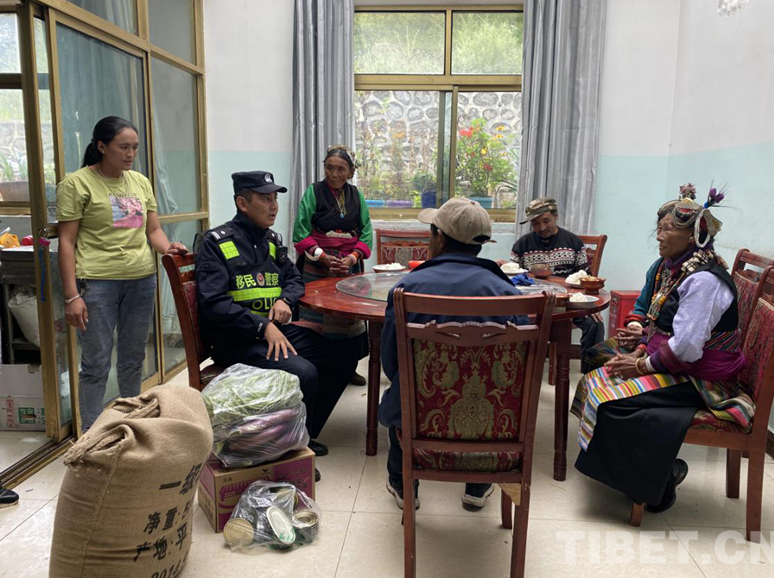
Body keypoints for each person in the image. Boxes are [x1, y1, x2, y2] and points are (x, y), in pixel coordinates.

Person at [571, 185, 755, 513]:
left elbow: (685, 348)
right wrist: (641, 349)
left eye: (667, 229)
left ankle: (658, 483)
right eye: (659, 228)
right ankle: (640, 474)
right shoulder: (677, 269)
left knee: (610, 401)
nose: (658, 235)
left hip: (703, 380)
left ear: (694, 236)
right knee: (596, 381)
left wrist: (640, 366)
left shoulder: (702, 281)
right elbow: (660, 325)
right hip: (684, 366)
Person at [378, 198, 529, 510]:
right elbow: (519, 369)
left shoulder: (407, 289)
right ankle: (478, 485)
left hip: (420, 414)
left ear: (439, 238)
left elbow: (391, 364)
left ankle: (404, 484)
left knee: (400, 392)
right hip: (491, 421)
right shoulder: (508, 293)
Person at [196, 171, 351, 465]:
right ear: (242, 203)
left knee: (343, 356)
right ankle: (289, 454)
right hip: (237, 339)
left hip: (274, 332)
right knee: (304, 372)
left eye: (275, 198)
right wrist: (262, 325)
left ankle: (302, 436)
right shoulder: (216, 242)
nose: (274, 206)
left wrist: (285, 299)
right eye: (265, 199)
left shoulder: (271, 241)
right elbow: (214, 303)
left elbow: (294, 279)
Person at [57, 116, 188, 431]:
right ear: (102, 147)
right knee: (96, 362)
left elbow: (152, 230)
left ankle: (132, 426)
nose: (131, 154)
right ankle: (91, 435)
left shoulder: (140, 182)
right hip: (96, 284)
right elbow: (67, 242)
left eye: (135, 147)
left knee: (133, 359)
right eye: (123, 147)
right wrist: (72, 295)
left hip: (141, 281)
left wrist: (168, 248)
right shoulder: (76, 184)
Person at [292, 145, 373, 386]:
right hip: (317, 264)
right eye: (329, 168)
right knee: (318, 314)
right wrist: (322, 256)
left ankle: (348, 367)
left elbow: (366, 231)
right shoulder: (313, 192)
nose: (334, 174)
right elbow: (301, 230)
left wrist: (351, 258)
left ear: (350, 172)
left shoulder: (357, 196)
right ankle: (317, 366)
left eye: (341, 169)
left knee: (348, 315)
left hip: (348, 265)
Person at [509, 197, 604, 372]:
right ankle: (518, 372)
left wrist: (592, 304)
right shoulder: (522, 245)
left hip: (569, 304)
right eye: (536, 223)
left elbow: (586, 277)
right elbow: (513, 278)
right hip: (534, 305)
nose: (542, 227)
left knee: (595, 324)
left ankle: (590, 375)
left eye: (546, 221)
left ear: (556, 216)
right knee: (510, 321)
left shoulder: (573, 243)